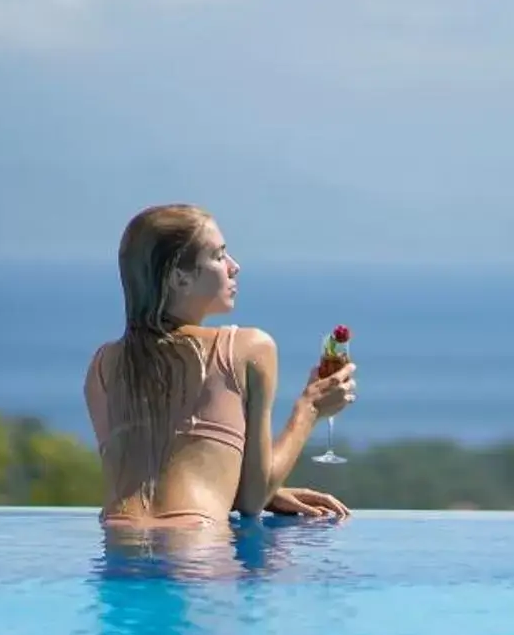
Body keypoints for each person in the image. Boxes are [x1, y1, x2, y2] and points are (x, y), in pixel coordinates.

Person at [83, 203, 356, 528]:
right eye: (218, 256)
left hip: (118, 553)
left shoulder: (102, 366)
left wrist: (251, 490)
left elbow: (151, 477)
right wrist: (309, 408)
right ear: (179, 278)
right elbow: (253, 504)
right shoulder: (247, 349)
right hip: (197, 553)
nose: (233, 266)